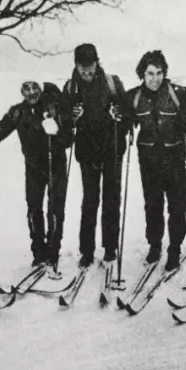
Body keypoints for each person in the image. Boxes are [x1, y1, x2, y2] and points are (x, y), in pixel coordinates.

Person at [126, 50, 186, 272]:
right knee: (153, 204)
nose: (155, 78)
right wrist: (125, 120)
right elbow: (123, 109)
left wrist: (185, 117)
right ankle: (155, 244)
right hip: (148, 159)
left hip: (175, 156)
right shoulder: (135, 96)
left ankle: (175, 247)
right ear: (142, 74)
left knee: (177, 205)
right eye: (150, 73)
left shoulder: (175, 92)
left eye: (159, 73)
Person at [0, 81, 72, 275]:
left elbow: (69, 137)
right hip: (33, 167)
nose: (31, 92)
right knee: (34, 208)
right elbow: (3, 127)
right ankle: (38, 252)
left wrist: (56, 131)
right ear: (21, 91)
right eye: (26, 88)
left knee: (55, 207)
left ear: (41, 89)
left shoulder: (54, 106)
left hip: (55, 163)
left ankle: (53, 251)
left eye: (35, 88)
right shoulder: (18, 112)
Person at [62, 44, 131, 268]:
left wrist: (119, 115)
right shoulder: (71, 87)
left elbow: (128, 114)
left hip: (112, 148)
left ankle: (110, 248)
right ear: (76, 65)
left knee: (112, 199)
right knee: (90, 201)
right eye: (82, 68)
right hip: (87, 151)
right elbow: (64, 118)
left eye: (90, 67)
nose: (87, 72)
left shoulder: (113, 83)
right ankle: (87, 251)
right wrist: (71, 116)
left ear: (96, 62)